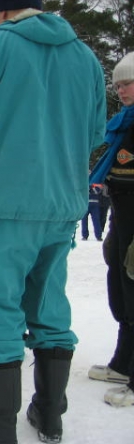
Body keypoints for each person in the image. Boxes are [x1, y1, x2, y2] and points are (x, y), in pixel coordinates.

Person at [0, 0, 107, 442]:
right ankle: (50, 414)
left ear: (0, 10)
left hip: (1, 205)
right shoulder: (85, 58)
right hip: (60, 206)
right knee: (49, 306)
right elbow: (94, 133)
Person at [87, 51, 134, 408]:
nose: (121, 90)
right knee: (120, 288)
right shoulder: (124, 123)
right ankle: (123, 362)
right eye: (118, 84)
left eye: (128, 83)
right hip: (122, 213)